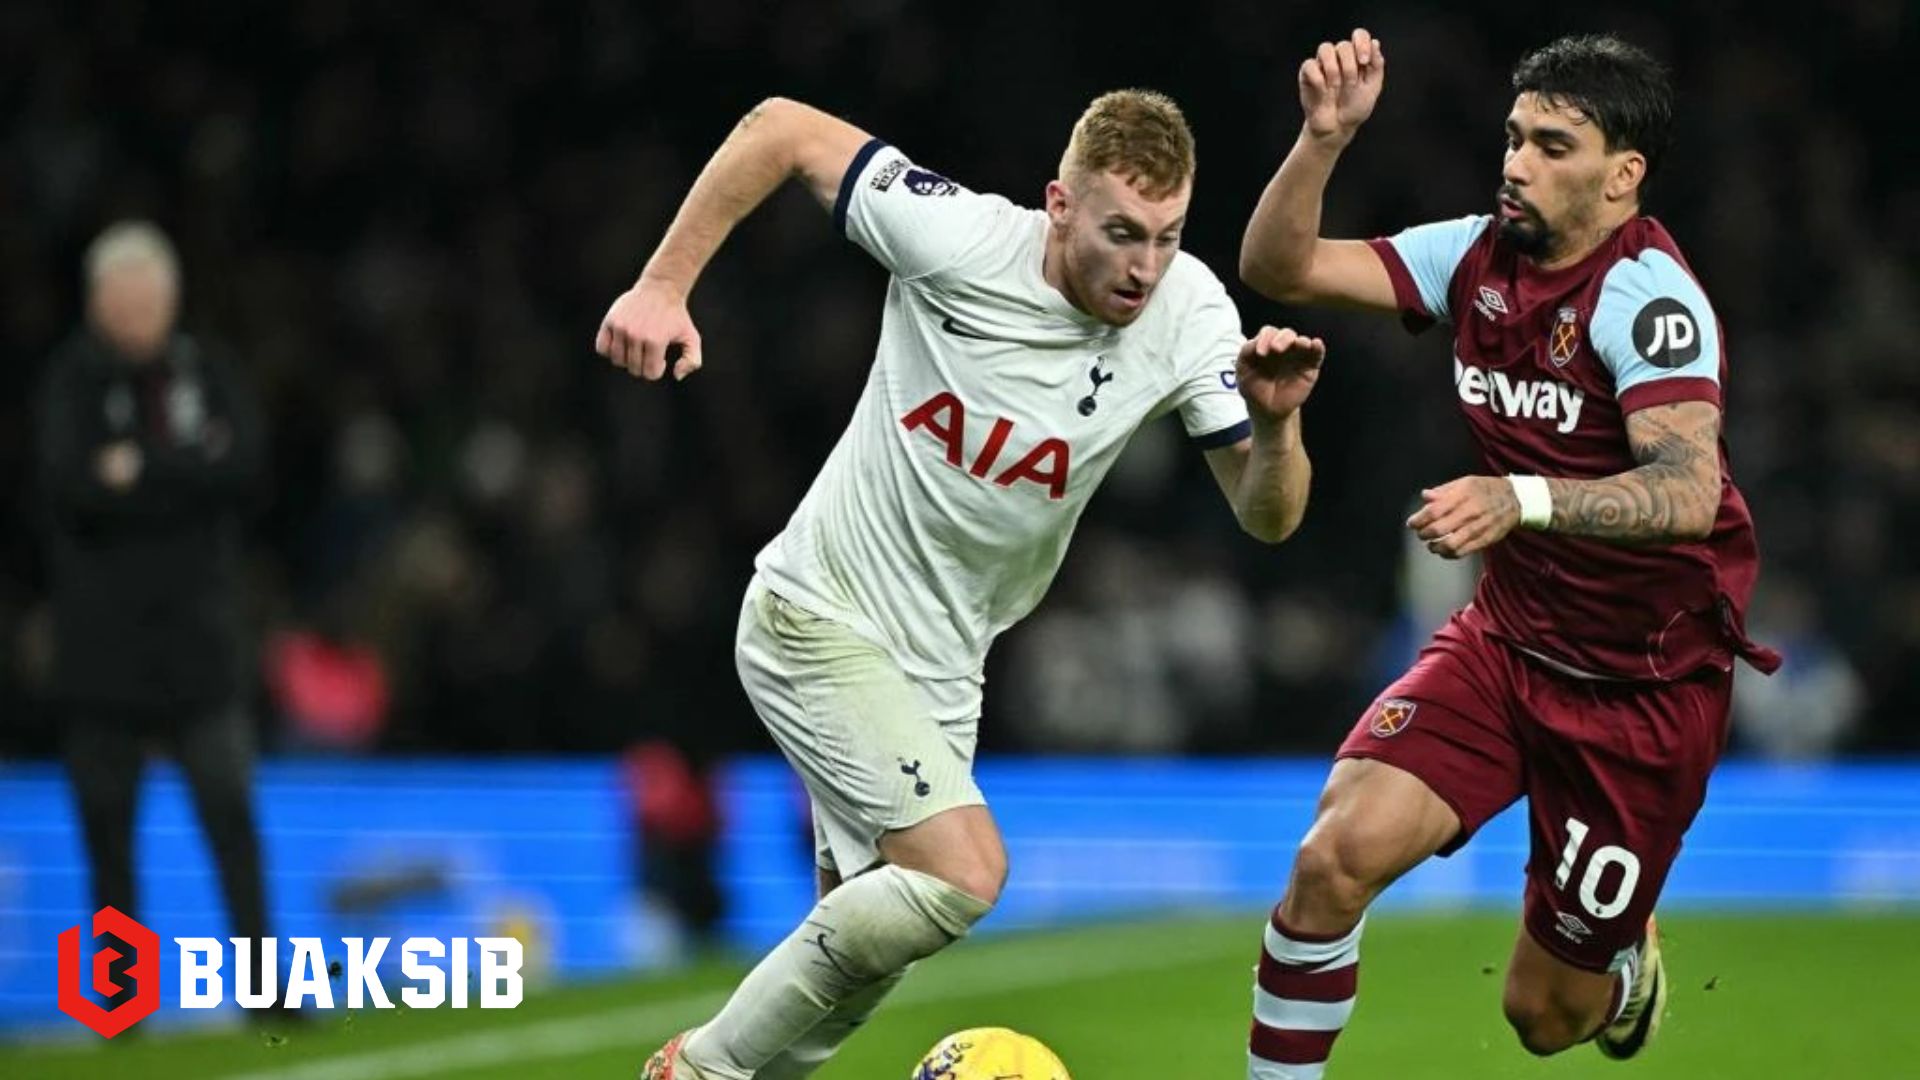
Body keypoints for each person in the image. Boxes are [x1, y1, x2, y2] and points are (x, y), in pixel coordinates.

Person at [597, 91, 1327, 1079]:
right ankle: (695, 1071)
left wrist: (1276, 428)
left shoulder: (1189, 312)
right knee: (964, 871)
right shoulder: (960, 239)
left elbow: (1268, 515)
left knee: (862, 953)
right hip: (821, 612)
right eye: (1121, 233)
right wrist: (663, 285)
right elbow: (781, 128)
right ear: (1059, 206)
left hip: (945, 666)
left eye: (1166, 236)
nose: (1145, 266)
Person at [1235, 30, 1780, 1075]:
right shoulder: (1474, 256)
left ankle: (1621, 969)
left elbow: (1688, 492)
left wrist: (1518, 499)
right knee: (1331, 859)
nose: (1517, 164)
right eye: (1515, 138)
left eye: (1552, 146)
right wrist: (1321, 142)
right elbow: (1278, 267)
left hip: (1639, 692)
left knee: (1543, 1019)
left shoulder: (1650, 302)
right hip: (1506, 646)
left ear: (1622, 177)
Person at [35, 221, 277, 1012]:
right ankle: (119, 1002)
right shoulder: (69, 382)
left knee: (231, 818)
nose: (139, 312)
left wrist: (137, 470)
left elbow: (246, 467)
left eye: (150, 297)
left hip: (201, 646)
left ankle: (267, 991)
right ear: (96, 302)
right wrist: (188, 467)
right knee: (107, 834)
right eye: (124, 298)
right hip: (102, 655)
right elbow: (67, 486)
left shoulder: (206, 370)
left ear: (172, 299)